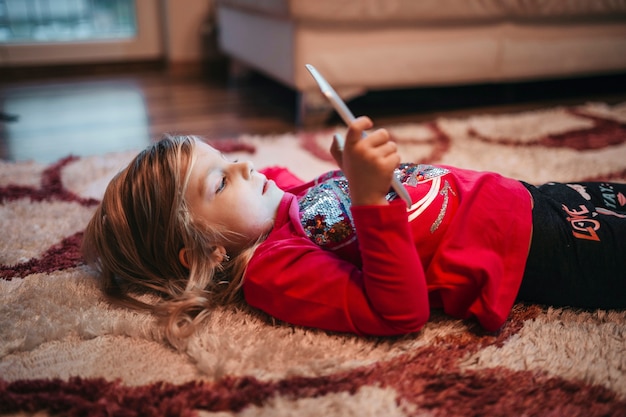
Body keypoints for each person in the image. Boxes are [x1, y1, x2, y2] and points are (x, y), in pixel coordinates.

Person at [82, 116, 626, 348]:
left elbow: (282, 183)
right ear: (204, 252)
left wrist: (347, 163)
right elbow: (398, 313)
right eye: (221, 182)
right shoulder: (273, 271)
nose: (248, 168)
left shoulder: (281, 201)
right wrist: (366, 198)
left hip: (528, 194)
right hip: (542, 249)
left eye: (227, 157)